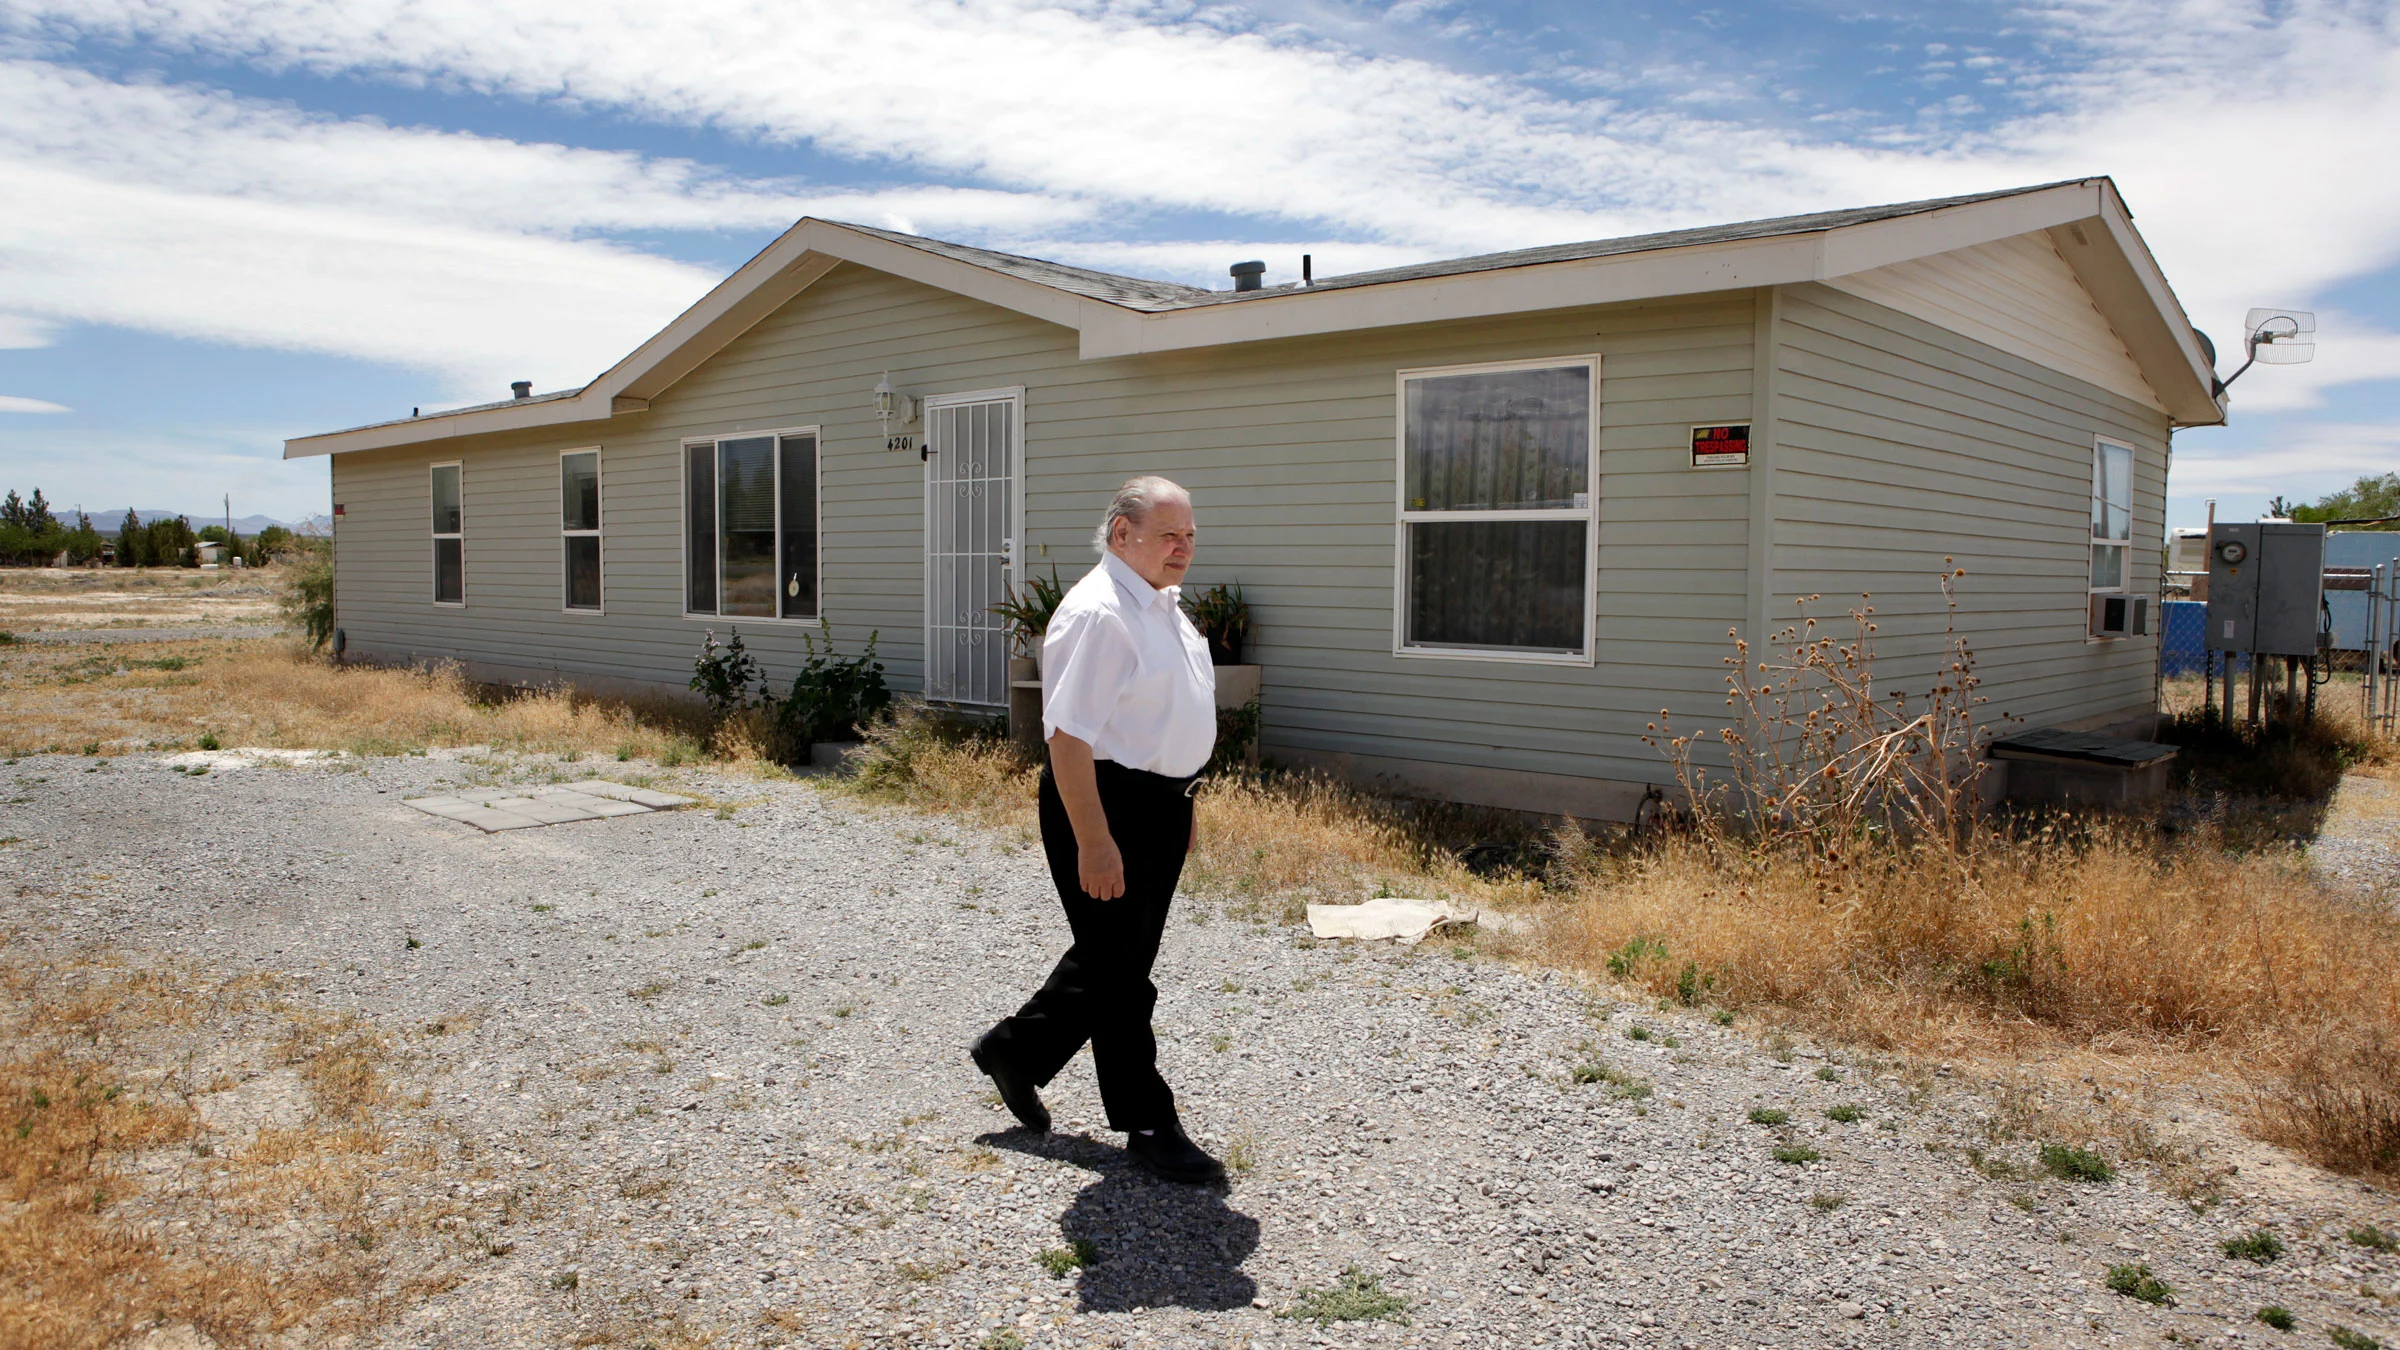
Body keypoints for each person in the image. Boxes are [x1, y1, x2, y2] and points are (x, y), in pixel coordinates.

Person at [971, 475, 1226, 1184]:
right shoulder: (1099, 612)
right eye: (1170, 534)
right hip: (1105, 804)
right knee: (1120, 975)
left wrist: (1185, 802)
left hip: (1160, 805)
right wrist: (1095, 839)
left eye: (1190, 535)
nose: (1184, 547)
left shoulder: (1163, 608)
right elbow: (1069, 739)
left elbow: (1162, 718)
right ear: (1123, 535)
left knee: (1113, 957)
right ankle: (1148, 1120)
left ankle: (1014, 1052)